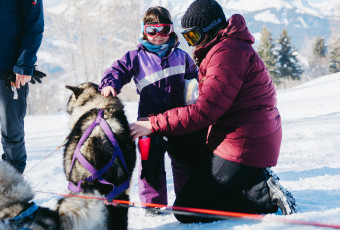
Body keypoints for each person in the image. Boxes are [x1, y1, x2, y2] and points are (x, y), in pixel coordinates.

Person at [130, 0, 297, 223]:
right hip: (236, 135)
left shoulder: (226, 54)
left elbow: (205, 111)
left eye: (193, 37)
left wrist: (153, 123)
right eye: (187, 38)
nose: (191, 44)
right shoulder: (224, 48)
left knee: (186, 210)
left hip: (244, 143)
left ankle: (261, 195)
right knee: (178, 140)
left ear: (209, 30)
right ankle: (227, 184)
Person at [99, 6, 207, 215]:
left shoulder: (182, 56)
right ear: (144, 31)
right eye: (152, 30)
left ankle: (188, 201)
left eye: (164, 30)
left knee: (184, 160)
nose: (158, 36)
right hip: (147, 123)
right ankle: (153, 205)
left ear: (171, 30)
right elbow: (117, 70)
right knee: (151, 164)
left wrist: (199, 89)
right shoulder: (136, 57)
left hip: (178, 119)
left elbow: (198, 77)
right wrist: (109, 83)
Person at [0, 0, 44, 174]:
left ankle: (12, 189)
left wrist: (25, 64)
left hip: (9, 71)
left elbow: (34, 23)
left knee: (11, 132)